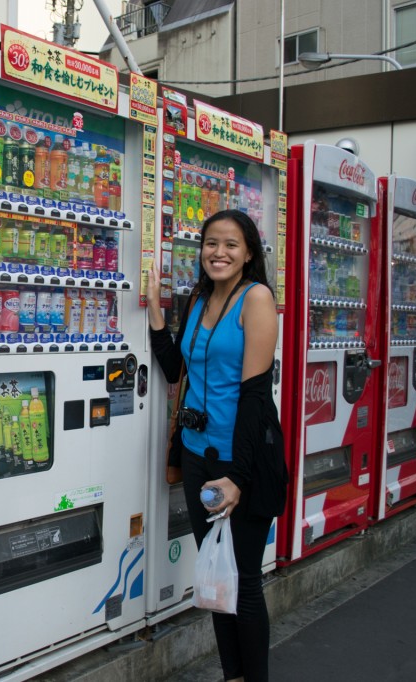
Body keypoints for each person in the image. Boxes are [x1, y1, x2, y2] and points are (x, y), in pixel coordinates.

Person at [147, 209, 286, 682]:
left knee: (243, 582)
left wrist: (239, 479)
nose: (219, 252)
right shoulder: (199, 299)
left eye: (230, 244)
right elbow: (176, 370)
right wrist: (155, 315)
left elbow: (254, 398)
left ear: (248, 253)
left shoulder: (257, 299)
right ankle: (233, 676)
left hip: (236, 462)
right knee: (217, 580)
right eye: (211, 243)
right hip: (196, 455)